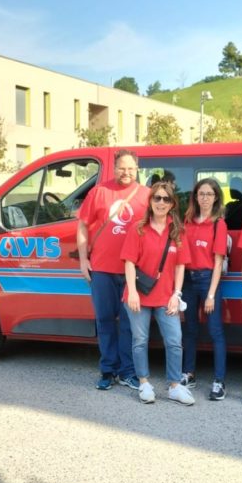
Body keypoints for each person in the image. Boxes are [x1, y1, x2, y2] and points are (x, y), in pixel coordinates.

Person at [77, 150, 150, 391]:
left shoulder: (147, 196)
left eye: (130, 168)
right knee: (105, 321)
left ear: (137, 168)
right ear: (114, 168)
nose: (126, 172)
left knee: (130, 324)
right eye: (121, 168)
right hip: (102, 269)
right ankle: (108, 370)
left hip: (133, 273)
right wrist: (82, 259)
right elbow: (83, 225)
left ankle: (128, 372)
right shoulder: (99, 192)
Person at [122, 181, 194, 405]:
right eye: (157, 198)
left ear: (172, 204)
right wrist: (132, 292)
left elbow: (181, 265)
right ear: (150, 201)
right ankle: (144, 384)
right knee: (140, 340)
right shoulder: (138, 228)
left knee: (174, 341)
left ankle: (174, 386)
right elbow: (129, 262)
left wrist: (177, 294)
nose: (161, 203)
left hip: (166, 297)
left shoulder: (177, 231)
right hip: (139, 296)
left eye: (166, 199)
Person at [180, 178, 229, 400]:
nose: (205, 198)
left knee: (215, 331)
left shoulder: (219, 223)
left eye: (209, 194)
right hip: (188, 281)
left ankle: (219, 381)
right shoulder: (187, 221)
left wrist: (211, 294)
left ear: (216, 197)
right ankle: (189, 373)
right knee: (189, 329)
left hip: (208, 280)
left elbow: (218, 261)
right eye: (201, 194)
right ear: (196, 196)